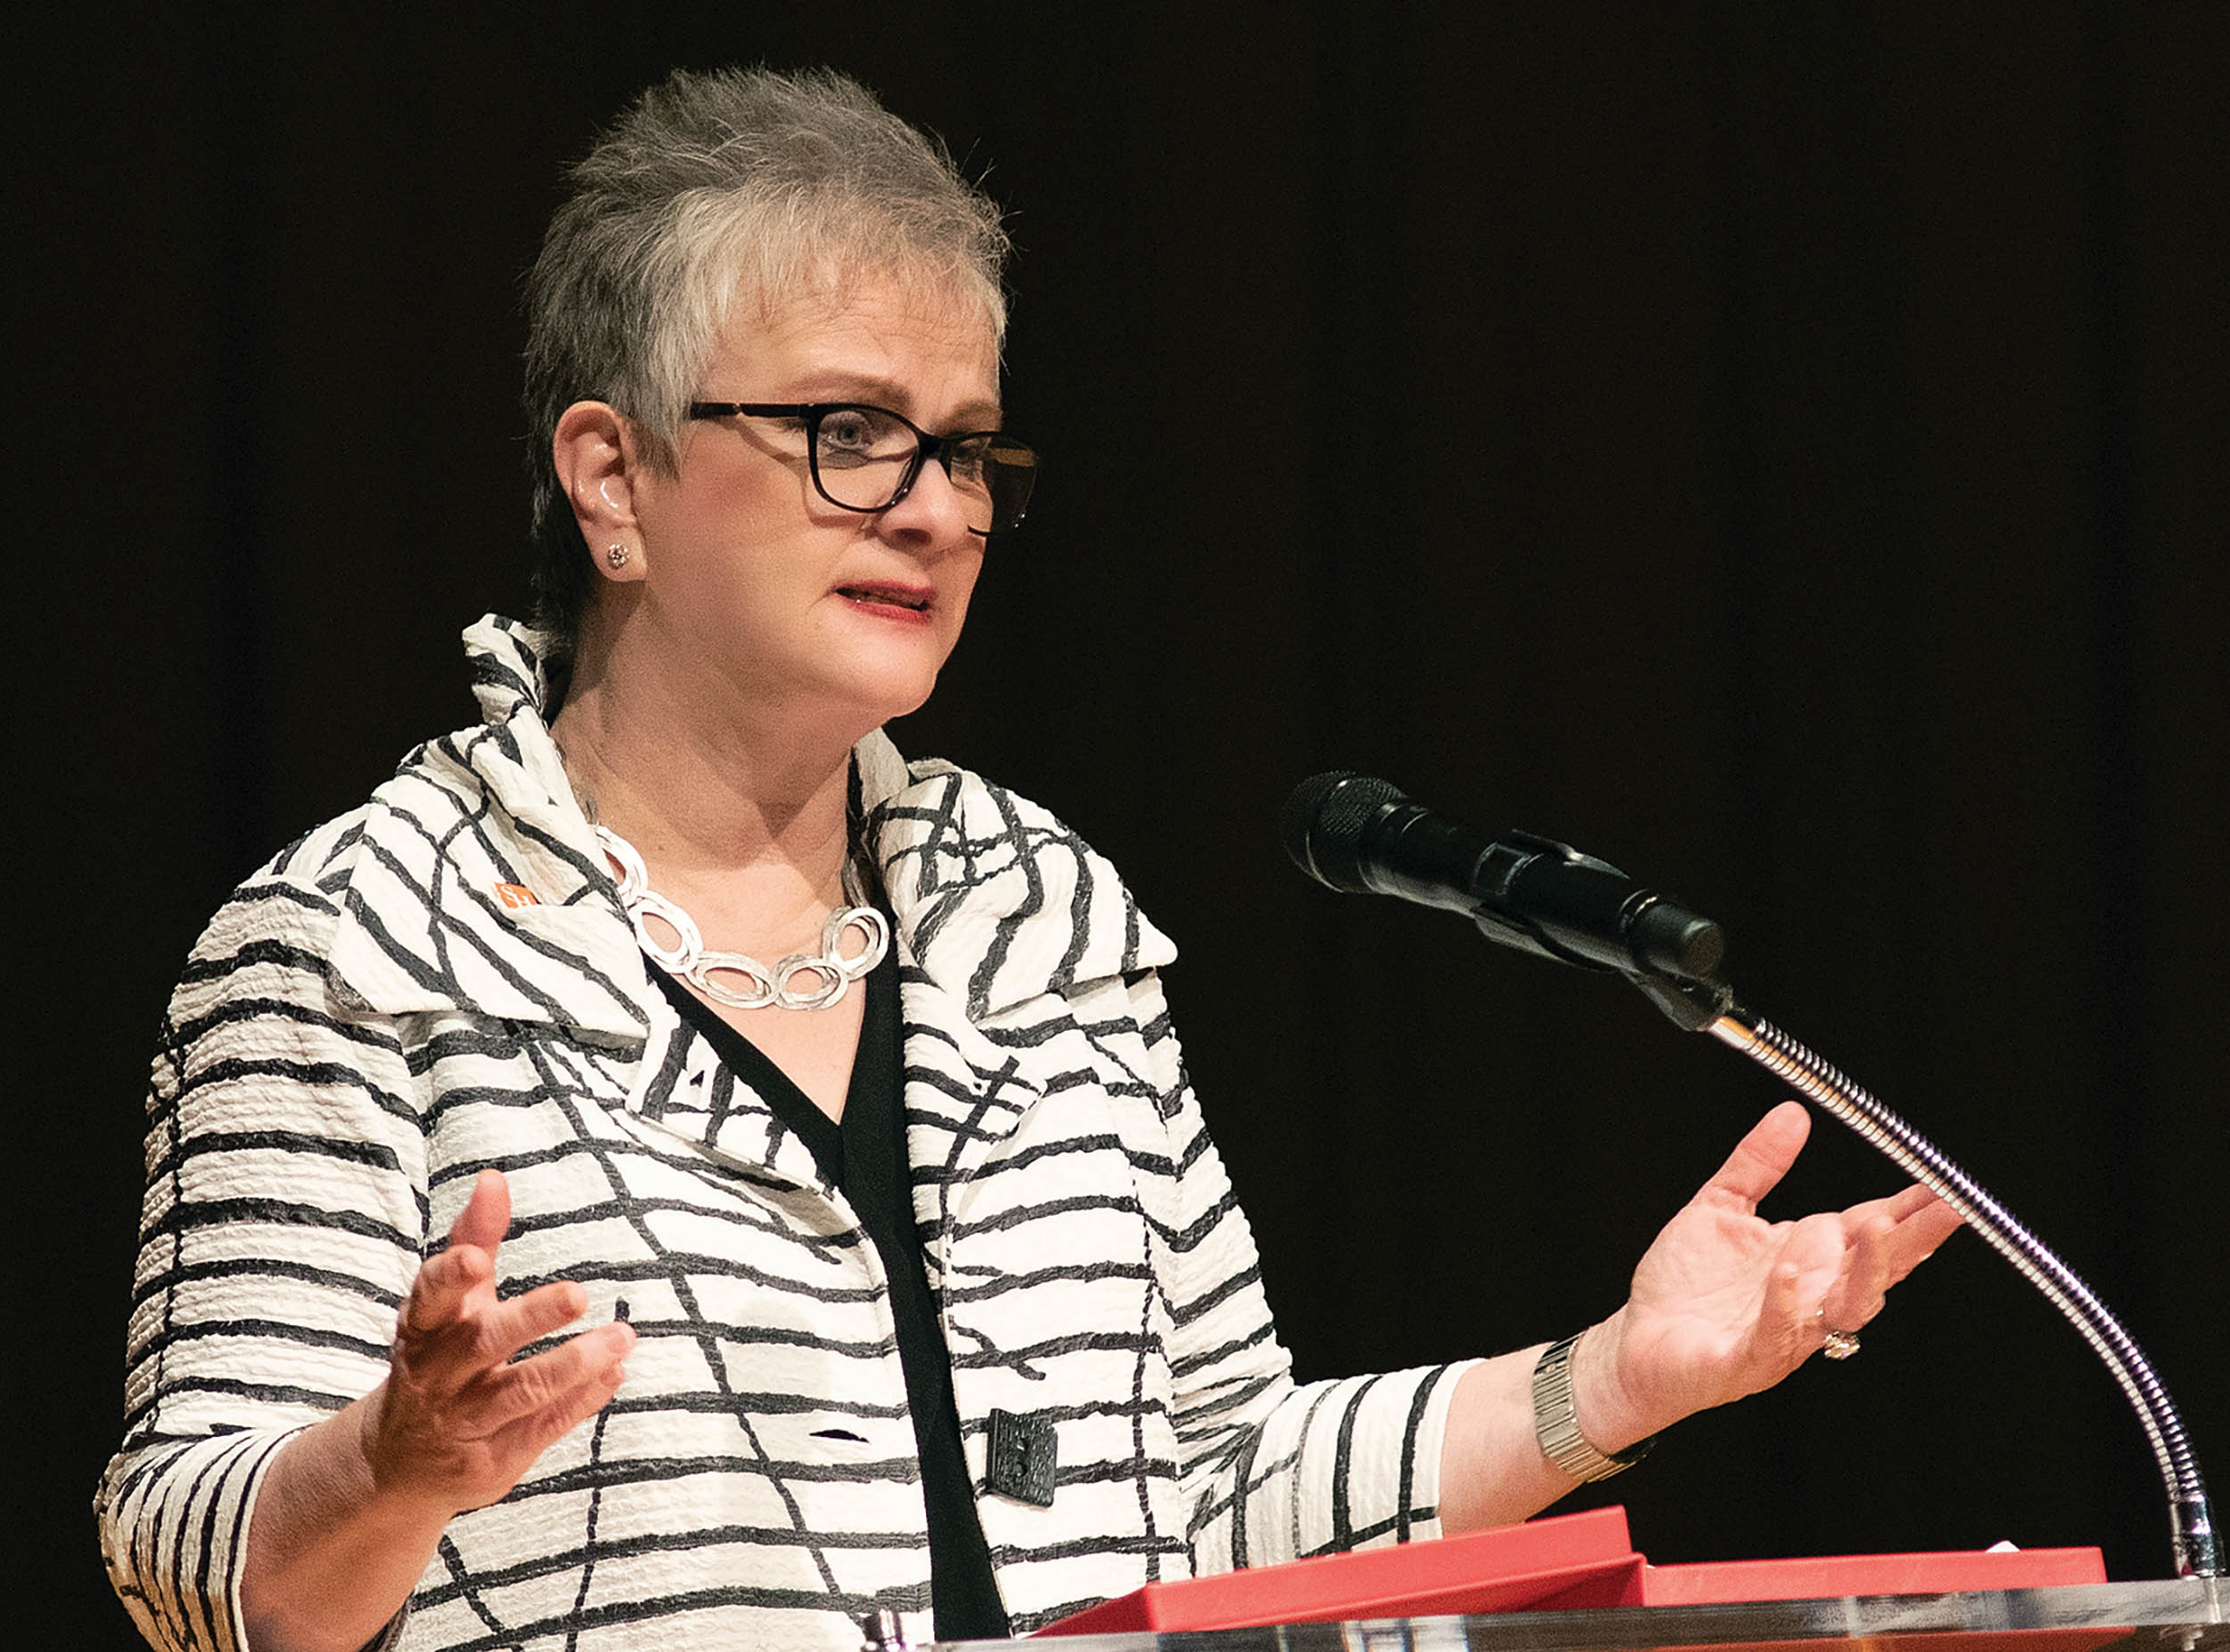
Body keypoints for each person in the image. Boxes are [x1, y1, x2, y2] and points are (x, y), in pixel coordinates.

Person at [97, 67, 1962, 1652]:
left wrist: (1618, 1383)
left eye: (968, 450)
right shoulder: (353, 941)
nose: (929, 504)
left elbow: (1218, 1487)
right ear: (613, 480)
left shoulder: (1036, 909)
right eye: (846, 433)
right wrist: (395, 1462)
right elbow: (187, 1560)